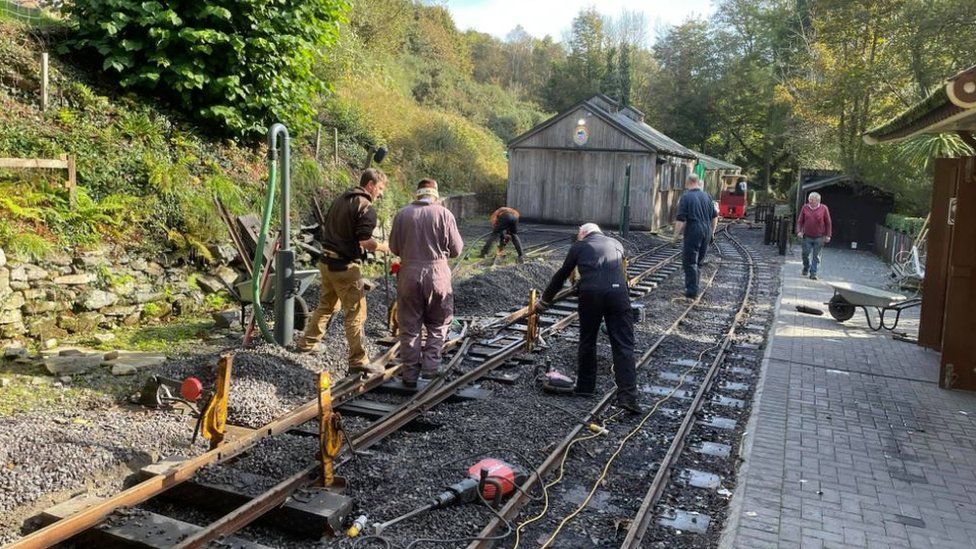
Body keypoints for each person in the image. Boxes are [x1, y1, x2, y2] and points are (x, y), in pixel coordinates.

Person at [540, 223, 641, 414]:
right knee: (624, 346)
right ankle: (628, 397)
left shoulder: (579, 245)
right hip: (619, 295)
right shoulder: (616, 243)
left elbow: (562, 274)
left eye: (579, 233)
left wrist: (545, 301)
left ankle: (586, 388)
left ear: (583, 233)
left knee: (588, 341)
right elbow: (614, 270)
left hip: (591, 295)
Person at [296, 168, 389, 375]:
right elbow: (365, 241)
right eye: (380, 188)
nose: (380, 194)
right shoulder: (365, 207)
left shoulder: (341, 199)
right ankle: (358, 360)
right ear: (371, 185)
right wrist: (386, 247)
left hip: (326, 261)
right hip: (345, 267)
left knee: (326, 305)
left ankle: (307, 343)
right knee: (356, 313)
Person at [389, 179, 464, 388]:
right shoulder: (445, 214)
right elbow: (457, 250)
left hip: (408, 275)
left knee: (410, 326)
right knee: (439, 323)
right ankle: (431, 368)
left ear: (417, 193)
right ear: (435, 194)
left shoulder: (402, 214)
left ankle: (409, 375)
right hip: (437, 274)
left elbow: (394, 248)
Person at [672, 174, 718, 298]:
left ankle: (691, 291)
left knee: (690, 261)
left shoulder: (686, 197)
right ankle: (695, 286)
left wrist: (675, 236)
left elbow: (681, 219)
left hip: (694, 229)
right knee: (699, 262)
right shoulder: (707, 196)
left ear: (689, 182)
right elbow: (715, 217)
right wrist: (712, 232)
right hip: (707, 229)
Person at [796, 191, 832, 280]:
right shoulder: (805, 207)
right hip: (807, 236)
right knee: (805, 254)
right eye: (809, 199)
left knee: (816, 256)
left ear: (817, 200)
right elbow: (800, 221)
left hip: (819, 236)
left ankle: (813, 273)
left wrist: (828, 235)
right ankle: (806, 267)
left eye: (812, 200)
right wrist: (799, 231)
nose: (810, 201)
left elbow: (828, 222)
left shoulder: (824, 208)